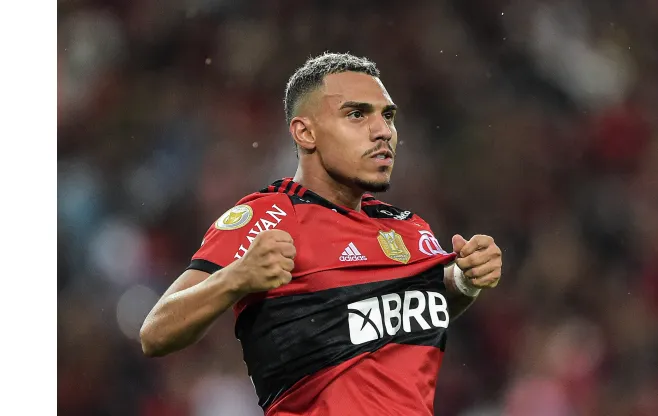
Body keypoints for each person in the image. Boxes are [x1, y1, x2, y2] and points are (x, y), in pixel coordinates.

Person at [140, 52, 503, 416]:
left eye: (387, 115)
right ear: (305, 132)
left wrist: (465, 280)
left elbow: (417, 309)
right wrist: (236, 278)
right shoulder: (270, 215)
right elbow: (155, 333)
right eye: (357, 114)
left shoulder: (409, 228)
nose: (383, 131)